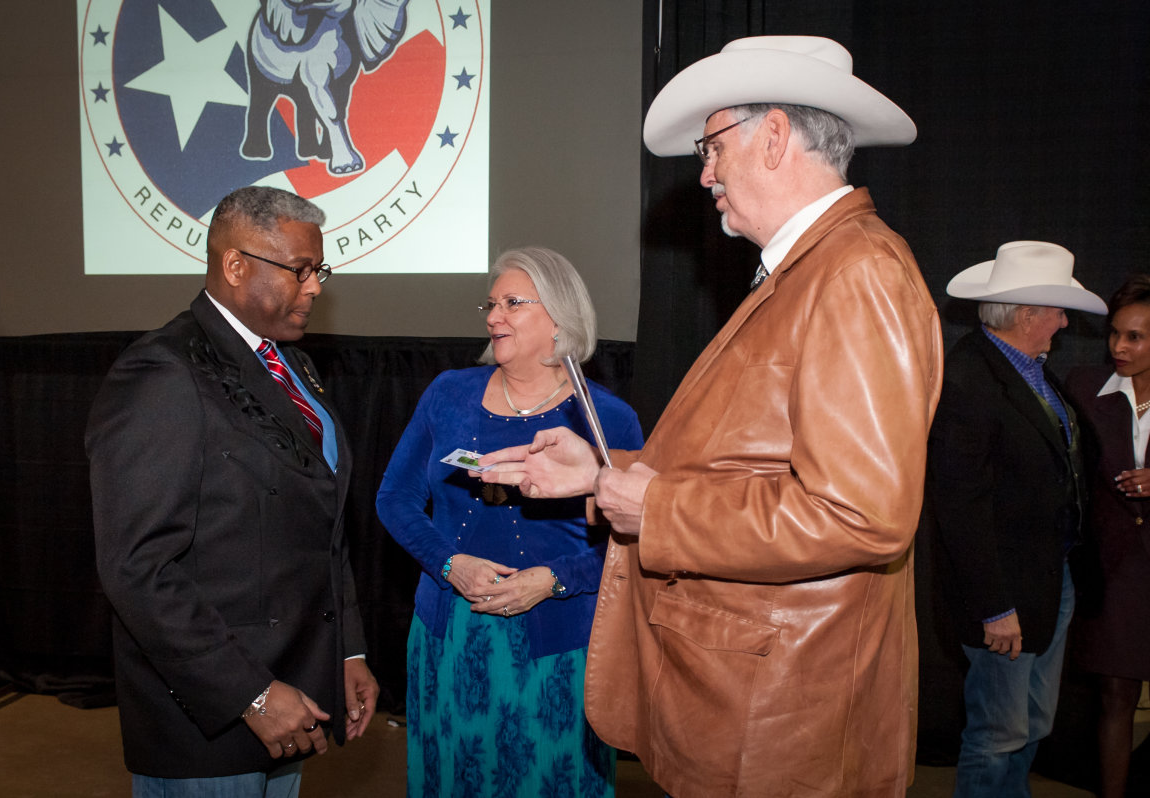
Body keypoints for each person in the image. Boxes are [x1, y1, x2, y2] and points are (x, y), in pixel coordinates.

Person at [479, 37, 941, 797]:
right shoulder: (811, 271)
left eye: (711, 147)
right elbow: (752, 466)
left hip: (785, 712)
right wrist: (604, 475)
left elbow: (862, 514)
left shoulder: (855, 273)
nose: (704, 174)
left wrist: (652, 502)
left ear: (774, 136)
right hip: (759, 693)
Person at [86, 185, 379, 797]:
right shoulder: (163, 373)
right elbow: (138, 568)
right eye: (300, 271)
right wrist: (250, 693)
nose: (316, 287)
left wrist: (345, 650)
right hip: (209, 718)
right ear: (236, 265)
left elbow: (322, 523)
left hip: (291, 693)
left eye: (318, 270)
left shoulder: (290, 362)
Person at [375, 246, 643, 797]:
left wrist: (553, 580)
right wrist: (449, 565)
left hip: (558, 643)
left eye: (513, 303)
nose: (494, 316)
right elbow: (395, 498)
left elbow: (632, 543)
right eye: (491, 304)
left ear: (560, 317)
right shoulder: (448, 393)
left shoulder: (606, 418)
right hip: (449, 633)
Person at [927, 241, 1106, 798]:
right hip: (1004, 595)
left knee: (1030, 723)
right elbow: (960, 507)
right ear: (1027, 315)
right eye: (1056, 308)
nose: (1063, 319)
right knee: (999, 731)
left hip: (1049, 583)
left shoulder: (1028, 369)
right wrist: (994, 606)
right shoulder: (969, 380)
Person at [1065, 275, 1150, 798]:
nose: (1119, 346)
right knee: (1116, 698)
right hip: (1117, 572)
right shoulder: (1082, 387)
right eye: (1115, 334)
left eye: (1136, 337)